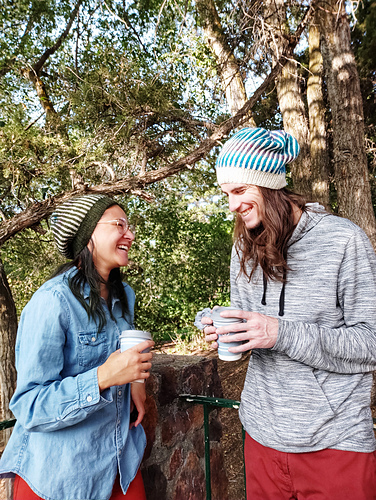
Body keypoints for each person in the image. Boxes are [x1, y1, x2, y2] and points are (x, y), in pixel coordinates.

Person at [195, 127, 376, 500]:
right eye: (226, 193)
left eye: (241, 190)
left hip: (335, 441)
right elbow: (249, 324)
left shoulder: (343, 241)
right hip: (261, 435)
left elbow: (370, 342)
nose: (231, 204)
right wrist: (221, 326)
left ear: (271, 184)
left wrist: (281, 333)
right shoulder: (243, 249)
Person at [0, 194, 154, 500]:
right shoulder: (52, 302)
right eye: (118, 224)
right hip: (61, 476)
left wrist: (134, 382)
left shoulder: (124, 295)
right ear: (88, 235)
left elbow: (122, 355)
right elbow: (30, 406)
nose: (130, 234)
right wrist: (103, 378)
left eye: (130, 225)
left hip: (120, 461)